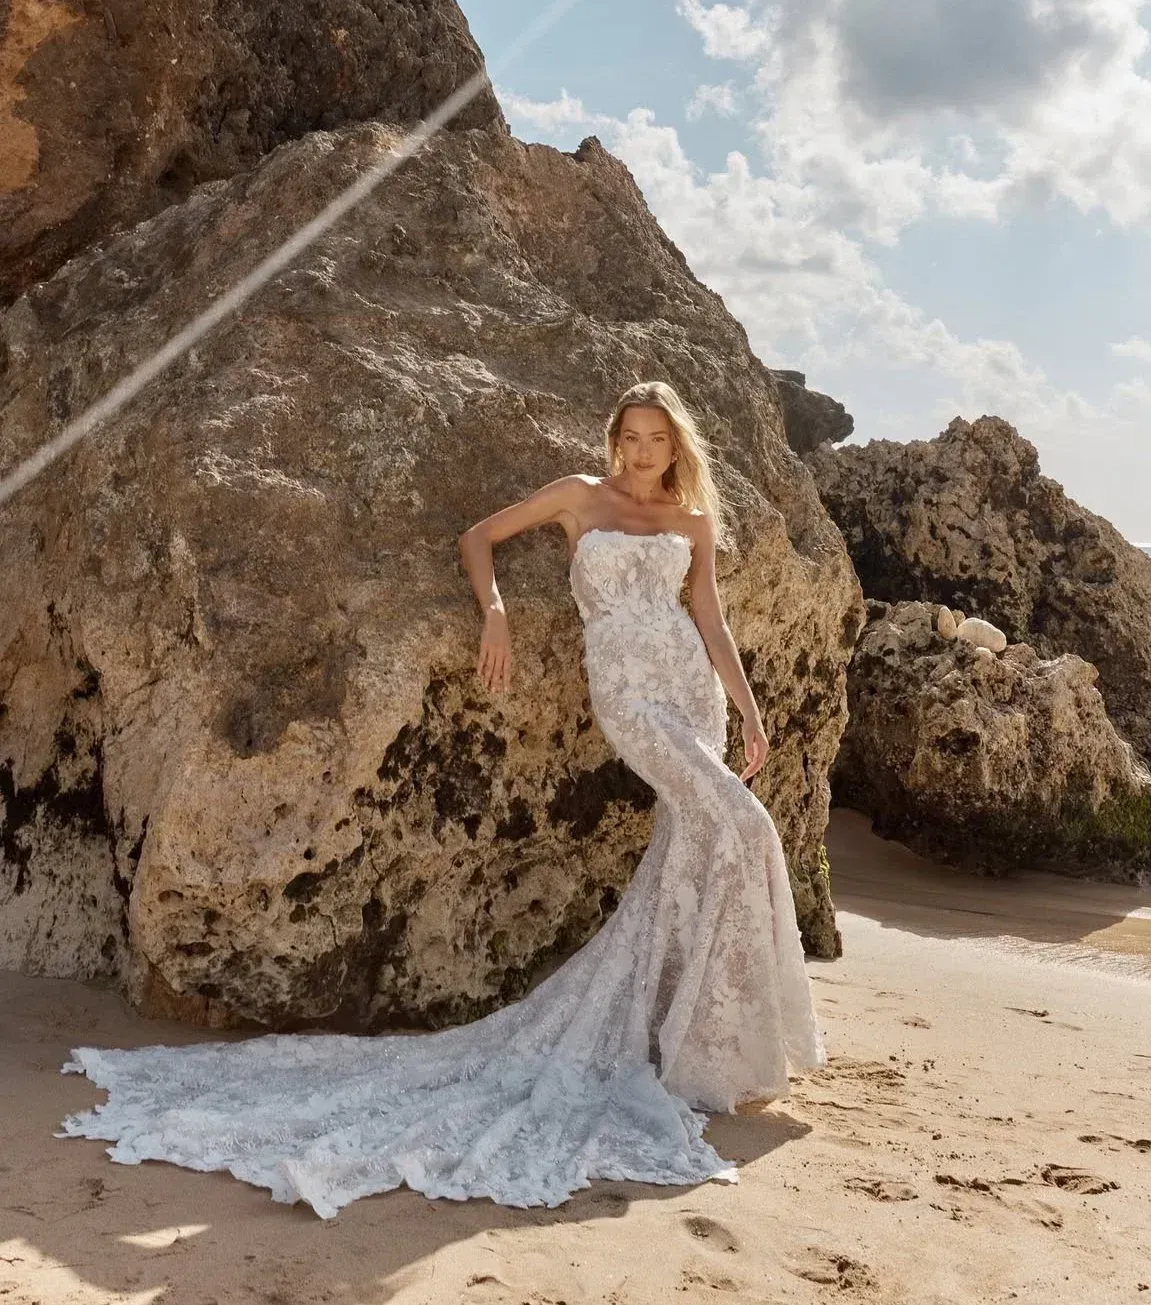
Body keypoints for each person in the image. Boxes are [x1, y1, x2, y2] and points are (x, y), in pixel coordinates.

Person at [57, 381, 826, 1218]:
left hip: (690, 690)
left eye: (656, 440)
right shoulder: (579, 497)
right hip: (628, 696)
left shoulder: (693, 523)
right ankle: (720, 1043)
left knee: (700, 849)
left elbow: (709, 621)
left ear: (676, 446)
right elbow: (479, 538)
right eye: (631, 437)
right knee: (744, 828)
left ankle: (691, 1047)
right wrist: (493, 613)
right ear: (615, 439)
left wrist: (750, 715)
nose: (642, 452)